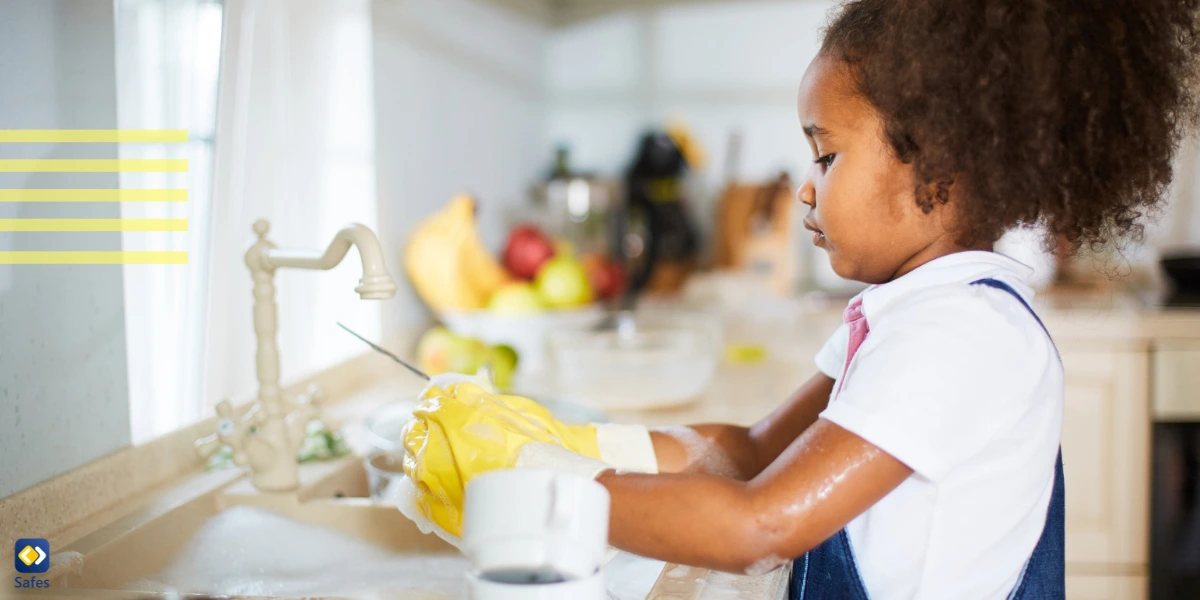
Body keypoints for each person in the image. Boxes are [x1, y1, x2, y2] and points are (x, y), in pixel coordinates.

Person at [401, 1, 1200, 597]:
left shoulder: (963, 335)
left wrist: (530, 487)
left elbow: (762, 524)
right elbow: (749, 451)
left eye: (828, 155)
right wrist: (575, 443)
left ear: (942, 169)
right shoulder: (912, 313)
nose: (807, 193)